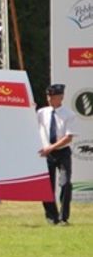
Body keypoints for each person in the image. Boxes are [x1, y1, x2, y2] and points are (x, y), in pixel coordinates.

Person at [37, 83, 76, 225]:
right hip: (47, 154)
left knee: (65, 183)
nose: (49, 99)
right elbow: (30, 124)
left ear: (61, 97)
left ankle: (63, 216)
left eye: (52, 96)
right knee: (46, 186)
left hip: (62, 152)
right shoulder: (41, 112)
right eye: (48, 96)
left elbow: (68, 137)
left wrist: (51, 147)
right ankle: (51, 216)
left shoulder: (69, 115)